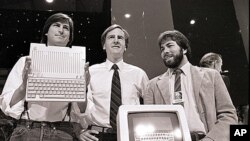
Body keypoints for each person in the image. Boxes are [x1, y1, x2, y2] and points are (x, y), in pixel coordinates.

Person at [0, 13, 87, 141]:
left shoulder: (77, 66)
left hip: (61, 131)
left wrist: (83, 89)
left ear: (69, 37)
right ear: (46, 32)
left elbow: (80, 109)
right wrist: (24, 87)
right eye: (56, 25)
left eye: (66, 28)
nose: (61, 30)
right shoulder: (26, 62)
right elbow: (7, 105)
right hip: (27, 130)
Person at [144, 30, 238, 141]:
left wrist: (211, 139)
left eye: (169, 45)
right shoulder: (152, 86)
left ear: (184, 49)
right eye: (162, 49)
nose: (165, 51)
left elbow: (228, 115)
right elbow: (149, 123)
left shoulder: (211, 76)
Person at [79, 24, 149, 141]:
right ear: (104, 45)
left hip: (131, 135)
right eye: (111, 37)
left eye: (120, 38)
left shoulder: (139, 73)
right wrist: (80, 130)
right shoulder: (90, 72)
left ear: (125, 46)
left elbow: (150, 106)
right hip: (97, 135)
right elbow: (80, 108)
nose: (116, 40)